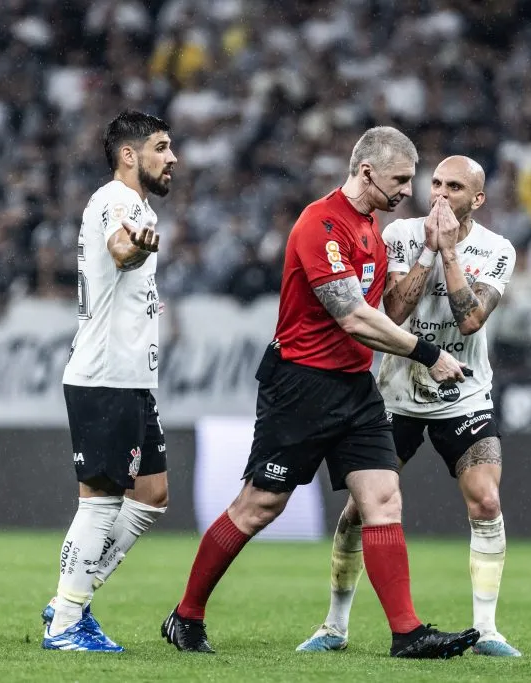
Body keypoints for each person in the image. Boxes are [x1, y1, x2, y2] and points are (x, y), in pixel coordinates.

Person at [161, 127, 479, 659]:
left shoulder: (370, 231)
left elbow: (387, 315)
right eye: (401, 179)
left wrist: (427, 255)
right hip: (300, 385)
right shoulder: (321, 224)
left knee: (382, 499)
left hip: (355, 388)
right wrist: (427, 353)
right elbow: (354, 317)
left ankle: (407, 634)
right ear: (367, 171)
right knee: (260, 505)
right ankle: (186, 615)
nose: (409, 190)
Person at [297, 156, 523, 658]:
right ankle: (334, 625)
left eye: (455, 187)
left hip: (463, 391)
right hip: (396, 392)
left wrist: (449, 256)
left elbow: (470, 321)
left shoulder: (497, 250)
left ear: (477, 199)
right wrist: (428, 250)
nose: (440, 194)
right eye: (436, 183)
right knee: (359, 509)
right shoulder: (398, 234)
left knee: (486, 500)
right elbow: (393, 312)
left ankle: (487, 629)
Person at [41, 110, 177, 652]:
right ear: (130, 154)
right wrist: (136, 245)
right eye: (162, 147)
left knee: (152, 495)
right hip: (104, 377)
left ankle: (71, 596)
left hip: (128, 379)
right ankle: (68, 620)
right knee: (100, 500)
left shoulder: (133, 205)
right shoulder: (117, 201)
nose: (172, 159)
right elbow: (121, 250)